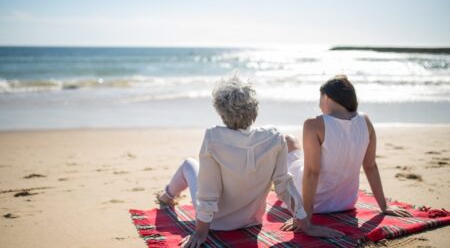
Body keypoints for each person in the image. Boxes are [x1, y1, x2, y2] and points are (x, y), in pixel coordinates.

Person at [156, 76, 344, 248]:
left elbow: (208, 193)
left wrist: (200, 233)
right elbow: (284, 186)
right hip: (252, 220)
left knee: (189, 164)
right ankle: (167, 196)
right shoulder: (274, 137)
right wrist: (306, 225)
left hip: (216, 223)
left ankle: (167, 196)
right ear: (254, 108)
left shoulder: (213, 138)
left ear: (221, 111)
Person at [280, 75, 411, 232]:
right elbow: (370, 166)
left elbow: (312, 173)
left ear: (326, 97)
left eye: (320, 98)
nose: (319, 105)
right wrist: (384, 206)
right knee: (300, 155)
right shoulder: (366, 121)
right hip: (346, 202)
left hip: (314, 203)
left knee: (287, 140)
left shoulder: (313, 124)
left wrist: (305, 216)